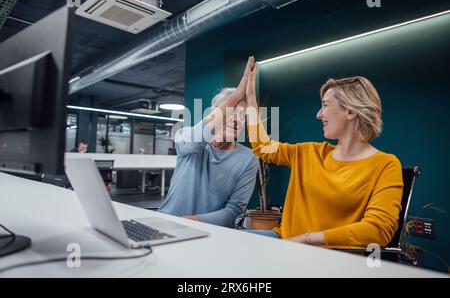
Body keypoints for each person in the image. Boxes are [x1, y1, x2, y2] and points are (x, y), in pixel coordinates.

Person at [244, 61, 403, 248]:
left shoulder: (385, 165)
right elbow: (263, 147)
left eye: (325, 105)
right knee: (229, 245)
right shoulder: (309, 153)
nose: (319, 114)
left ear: (350, 111)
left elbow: (377, 230)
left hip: (330, 257)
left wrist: (307, 239)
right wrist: (250, 98)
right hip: (284, 244)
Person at [158, 57, 259, 228]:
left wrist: (191, 221)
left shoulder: (249, 158)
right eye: (232, 111)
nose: (237, 120)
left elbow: (234, 212)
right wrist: (236, 96)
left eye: (243, 115)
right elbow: (195, 142)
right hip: (164, 222)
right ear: (216, 113)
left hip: (206, 232)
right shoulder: (186, 135)